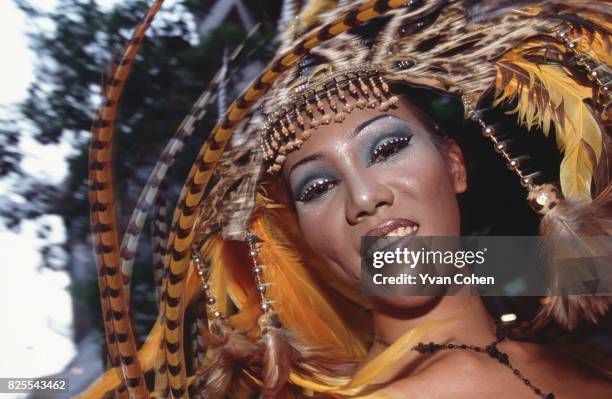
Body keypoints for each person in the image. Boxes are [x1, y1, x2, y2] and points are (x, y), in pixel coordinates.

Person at [79, 1, 612, 398]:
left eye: (388, 147)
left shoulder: (565, 348)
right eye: (317, 187)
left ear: (454, 164)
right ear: (304, 240)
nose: (364, 196)